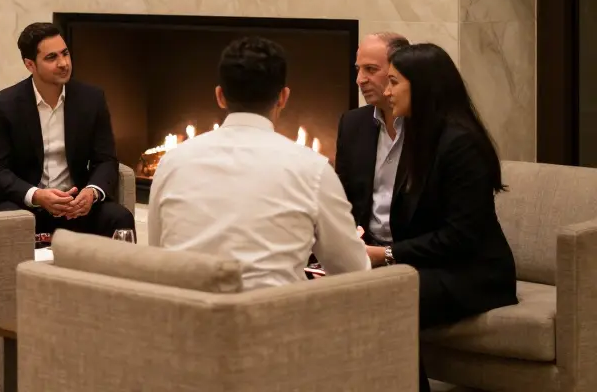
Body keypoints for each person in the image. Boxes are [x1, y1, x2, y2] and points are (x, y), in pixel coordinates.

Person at [148, 37, 369, 290]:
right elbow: (354, 271)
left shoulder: (172, 161)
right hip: (273, 321)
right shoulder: (313, 169)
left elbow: (157, 256)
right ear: (283, 97)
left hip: (185, 317)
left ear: (220, 96)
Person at [368, 43, 516, 329]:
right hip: (433, 267)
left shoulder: (462, 145)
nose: (387, 92)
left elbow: (459, 237)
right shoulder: (420, 137)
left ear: (423, 87)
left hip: (473, 274)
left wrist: (386, 254)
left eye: (394, 82)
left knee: (383, 297)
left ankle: (399, 376)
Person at [0, 22, 135, 238]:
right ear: (30, 65)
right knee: (8, 222)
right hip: (25, 204)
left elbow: (106, 159)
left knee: (120, 218)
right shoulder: (3, 105)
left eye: (65, 53)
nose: (63, 63)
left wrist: (91, 192)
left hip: (76, 205)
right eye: (51, 58)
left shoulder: (92, 99)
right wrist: (37, 196)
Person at [335, 32, 410, 246]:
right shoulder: (353, 123)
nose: (360, 80)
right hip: (365, 248)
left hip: (414, 255)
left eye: (371, 69)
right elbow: (342, 198)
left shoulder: (428, 127)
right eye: (358, 69)